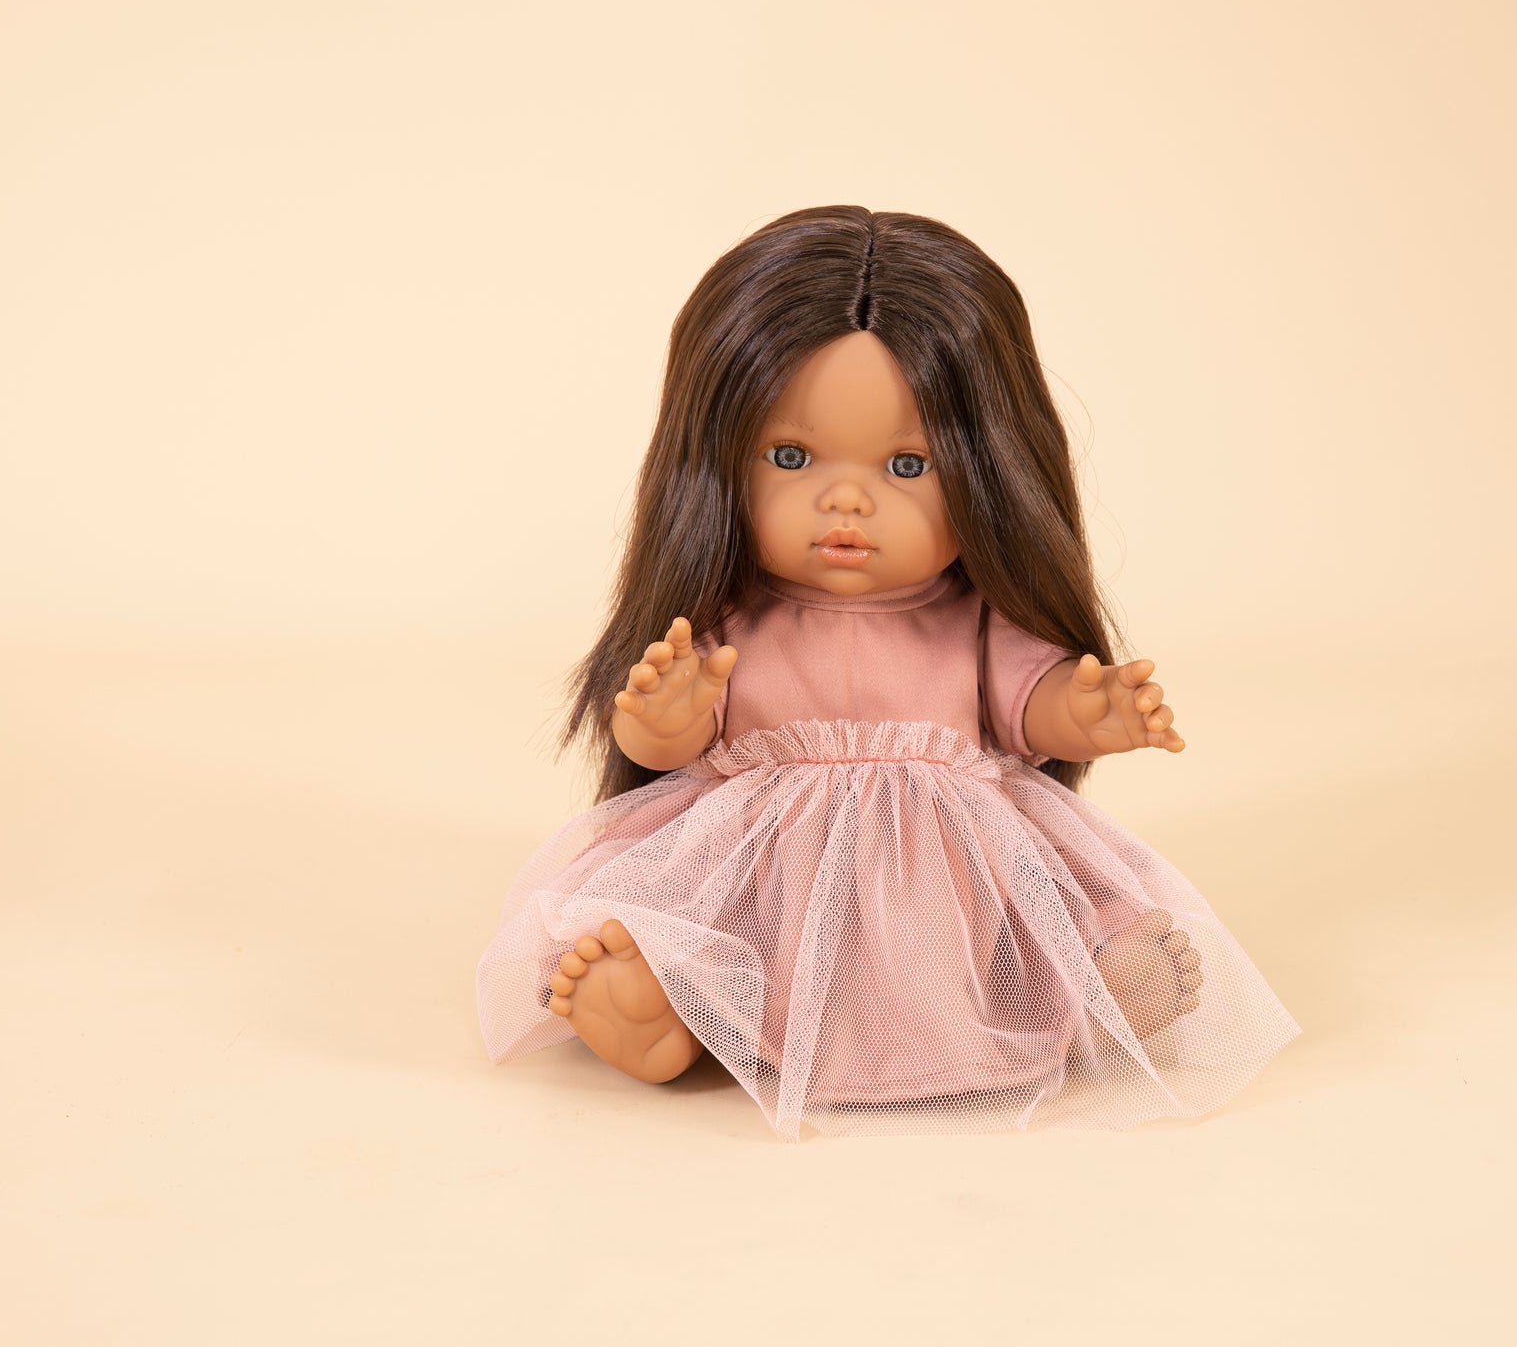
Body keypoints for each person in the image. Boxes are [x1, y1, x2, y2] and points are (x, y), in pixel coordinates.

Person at [475, 206, 1300, 1139]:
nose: (846, 498)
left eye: (908, 465)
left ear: (991, 477)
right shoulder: (728, 622)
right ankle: (675, 1014)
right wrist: (662, 713)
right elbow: (663, 748)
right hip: (763, 879)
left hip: (947, 888)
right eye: (791, 457)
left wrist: (1087, 709)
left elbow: (1029, 705)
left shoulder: (974, 619)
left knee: (1028, 932)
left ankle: (1081, 1001)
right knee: (703, 934)